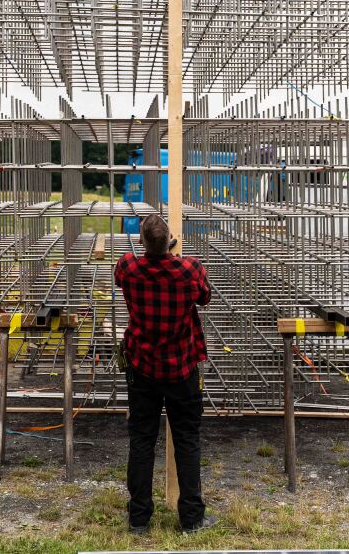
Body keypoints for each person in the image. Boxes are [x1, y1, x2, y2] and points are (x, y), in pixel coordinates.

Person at [114, 213, 215, 534]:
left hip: (143, 367)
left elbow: (123, 273)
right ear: (170, 240)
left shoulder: (128, 268)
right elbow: (206, 297)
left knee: (142, 440)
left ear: (142, 241)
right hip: (181, 368)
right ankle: (191, 518)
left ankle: (139, 518)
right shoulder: (189, 270)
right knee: (187, 440)